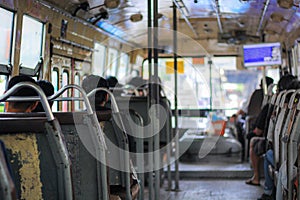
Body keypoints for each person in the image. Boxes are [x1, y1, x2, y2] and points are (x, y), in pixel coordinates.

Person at [257, 76, 298, 200]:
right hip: (289, 156)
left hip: (289, 158)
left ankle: (269, 192)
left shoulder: (286, 114)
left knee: (282, 171)